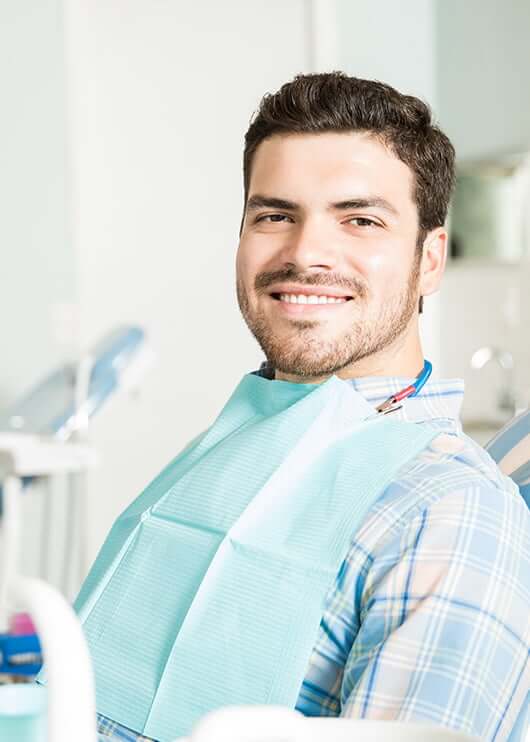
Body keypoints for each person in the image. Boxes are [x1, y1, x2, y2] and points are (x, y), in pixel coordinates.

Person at [90, 73, 529, 741]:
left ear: (430, 260)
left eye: (360, 220)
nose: (305, 254)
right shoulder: (237, 441)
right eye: (274, 215)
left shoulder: (447, 510)